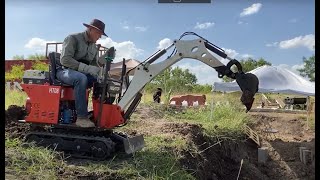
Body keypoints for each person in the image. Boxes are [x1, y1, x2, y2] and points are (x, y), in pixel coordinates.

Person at [57, 19, 107, 128]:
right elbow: (65, 60)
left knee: (101, 82)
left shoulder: (94, 47)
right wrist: (86, 68)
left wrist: (101, 67)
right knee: (81, 78)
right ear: (90, 29)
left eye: (101, 34)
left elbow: (94, 66)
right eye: (98, 33)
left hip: (81, 73)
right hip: (65, 71)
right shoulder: (73, 38)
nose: (100, 36)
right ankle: (82, 118)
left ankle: (98, 114)